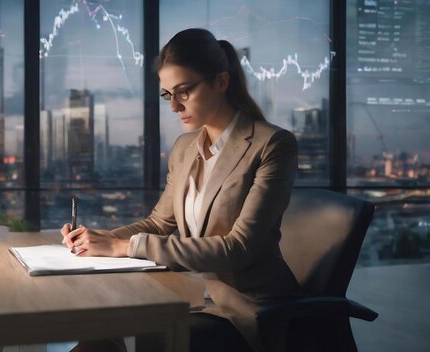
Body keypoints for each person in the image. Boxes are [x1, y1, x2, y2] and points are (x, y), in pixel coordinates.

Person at [61, 28, 300, 352]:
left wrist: (124, 247)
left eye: (184, 91)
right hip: (189, 290)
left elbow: (238, 249)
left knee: (137, 330)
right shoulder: (185, 146)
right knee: (99, 328)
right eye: (167, 95)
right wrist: (98, 239)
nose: (173, 106)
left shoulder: (271, 144)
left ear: (221, 81)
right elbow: (159, 223)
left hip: (245, 307)